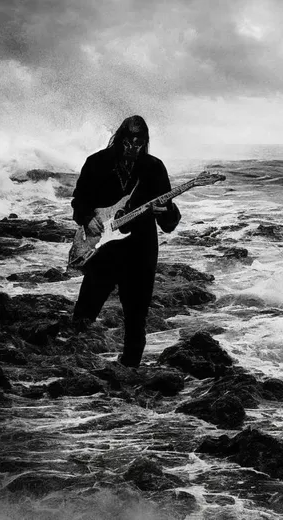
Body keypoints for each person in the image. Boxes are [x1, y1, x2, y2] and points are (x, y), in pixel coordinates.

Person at [71, 115, 181, 367]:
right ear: (119, 138)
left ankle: (130, 372)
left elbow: (168, 222)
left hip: (140, 251)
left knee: (136, 317)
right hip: (104, 249)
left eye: (139, 143)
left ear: (145, 142)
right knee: (85, 311)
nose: (133, 148)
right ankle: (69, 365)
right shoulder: (97, 163)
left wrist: (167, 212)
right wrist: (88, 219)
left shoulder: (153, 168)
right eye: (128, 142)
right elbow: (79, 202)